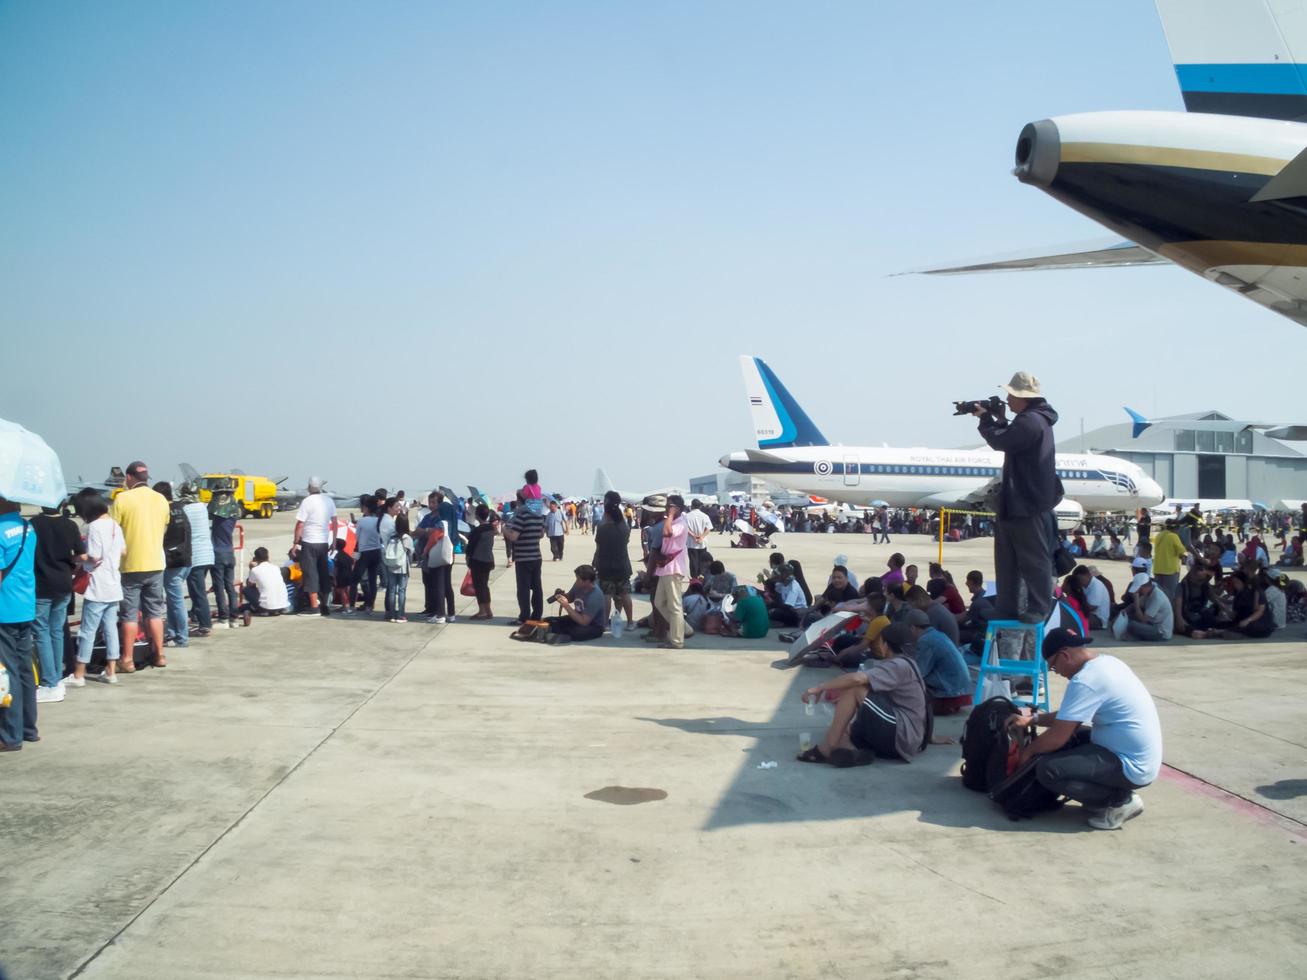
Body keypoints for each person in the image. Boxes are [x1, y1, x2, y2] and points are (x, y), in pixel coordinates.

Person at [1013, 627, 1162, 830]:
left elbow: (1058, 736)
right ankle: (1104, 795)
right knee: (1076, 735)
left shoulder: (1086, 681)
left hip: (1130, 766)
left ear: (1064, 655)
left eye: (1053, 668)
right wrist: (1033, 719)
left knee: (1048, 769)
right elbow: (1069, 715)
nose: (1058, 673)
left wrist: (1027, 752)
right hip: (1136, 755)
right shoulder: (1108, 663)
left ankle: (1119, 801)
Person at [973, 372, 1061, 625]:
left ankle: (1037, 608)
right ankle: (1007, 606)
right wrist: (998, 419)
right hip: (1017, 501)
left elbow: (1003, 441)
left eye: (1011, 395)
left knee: (1033, 561)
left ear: (1023, 398)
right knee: (1008, 559)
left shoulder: (1031, 421)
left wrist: (986, 420)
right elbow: (1010, 438)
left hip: (1026, 502)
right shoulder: (1031, 420)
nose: (1008, 399)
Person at [796, 622, 932, 766]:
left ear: (885, 644)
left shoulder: (899, 665)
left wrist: (819, 688)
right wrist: (842, 698)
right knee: (842, 729)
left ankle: (826, 750)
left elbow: (857, 679)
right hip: (899, 735)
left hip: (901, 736)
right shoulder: (905, 662)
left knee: (853, 689)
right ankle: (855, 752)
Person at [109, 463, 170, 670]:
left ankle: (127, 659)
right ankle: (160, 654)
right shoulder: (160, 499)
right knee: (154, 612)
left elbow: (113, 532)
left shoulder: (122, 499)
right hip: (156, 563)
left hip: (131, 564)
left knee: (129, 614)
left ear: (128, 477)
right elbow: (164, 528)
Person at [68, 492, 125, 686]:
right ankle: (110, 670)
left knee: (87, 631)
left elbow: (93, 555)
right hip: (113, 583)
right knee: (110, 629)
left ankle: (79, 673)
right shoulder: (115, 525)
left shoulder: (94, 527)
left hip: (97, 585)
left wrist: (76, 558)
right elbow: (123, 550)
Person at [30, 504, 84, 702]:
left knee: (41, 632)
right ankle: (57, 677)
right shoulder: (69, 524)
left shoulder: (34, 524)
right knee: (57, 631)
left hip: (42, 583)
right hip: (63, 582)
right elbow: (80, 554)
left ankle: (49, 681)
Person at [0, 496, 38, 750]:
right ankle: (28, 727)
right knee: (25, 669)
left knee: (7, 670)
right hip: (26, 604)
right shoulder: (28, 527)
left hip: (5, 608)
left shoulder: (0, 531)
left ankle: (10, 735)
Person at [904, 608, 972, 710]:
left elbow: (919, 672)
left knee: (910, 681)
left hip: (949, 694)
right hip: (963, 690)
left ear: (913, 628)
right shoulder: (938, 635)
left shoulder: (926, 641)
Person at [291, 476, 337, 617]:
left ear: (309, 487)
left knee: (310, 574)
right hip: (323, 543)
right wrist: (333, 542)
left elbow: (300, 524)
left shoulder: (307, 502)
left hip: (309, 542)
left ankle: (314, 607)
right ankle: (325, 605)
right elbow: (334, 522)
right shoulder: (329, 501)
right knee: (323, 573)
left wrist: (295, 542)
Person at [156, 482, 192, 650]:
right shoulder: (181, 509)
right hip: (185, 560)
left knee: (176, 601)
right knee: (173, 599)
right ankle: (172, 632)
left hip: (172, 562)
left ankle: (182, 637)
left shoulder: (163, 512)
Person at [592, 491, 633, 630]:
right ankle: (630, 622)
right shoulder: (625, 528)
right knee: (624, 593)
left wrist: (594, 562)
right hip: (622, 564)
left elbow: (598, 548)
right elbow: (626, 542)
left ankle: (605, 623)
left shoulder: (602, 528)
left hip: (605, 565)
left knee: (607, 594)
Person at [653, 494, 690, 649]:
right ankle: (683, 628)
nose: (667, 508)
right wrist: (670, 515)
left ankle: (677, 640)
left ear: (678, 509)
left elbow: (667, 532)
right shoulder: (673, 520)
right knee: (659, 602)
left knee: (674, 605)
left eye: (670, 506)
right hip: (665, 567)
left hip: (674, 567)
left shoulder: (680, 522)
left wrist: (671, 515)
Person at [503, 491, 545, 625]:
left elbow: (514, 537)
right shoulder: (538, 515)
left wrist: (504, 529)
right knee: (537, 587)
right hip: (536, 556)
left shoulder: (521, 515)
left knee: (523, 589)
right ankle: (537, 614)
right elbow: (541, 533)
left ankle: (524, 616)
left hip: (523, 557)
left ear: (520, 501)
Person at [538, 565, 607, 643]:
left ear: (587, 581)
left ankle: (558, 634)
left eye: (578, 579)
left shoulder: (595, 596)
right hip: (576, 618)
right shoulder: (578, 585)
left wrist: (566, 606)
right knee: (549, 620)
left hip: (593, 626)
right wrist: (561, 596)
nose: (576, 581)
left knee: (575, 632)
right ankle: (552, 632)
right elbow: (570, 598)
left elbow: (584, 622)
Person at [181, 486, 215, 636]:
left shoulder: (185, 510)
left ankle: (205, 624)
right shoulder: (203, 507)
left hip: (196, 556)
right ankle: (195, 614)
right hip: (208, 554)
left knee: (197, 592)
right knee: (199, 590)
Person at [351, 497, 385, 613]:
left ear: (366, 508)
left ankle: (351, 607)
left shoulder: (362, 521)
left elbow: (357, 537)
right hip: (376, 552)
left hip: (365, 552)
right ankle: (370, 606)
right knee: (372, 580)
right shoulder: (378, 520)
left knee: (354, 580)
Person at [463, 504, 498, 619]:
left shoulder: (477, 531)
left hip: (478, 560)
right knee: (484, 586)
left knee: (479, 587)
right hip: (488, 559)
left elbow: (470, 548)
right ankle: (488, 610)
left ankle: (482, 610)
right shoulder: (491, 528)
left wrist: (467, 558)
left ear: (477, 515)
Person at [1119, 573, 1173, 641]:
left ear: (1144, 587)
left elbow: (1143, 620)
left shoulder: (1157, 598)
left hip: (1160, 632)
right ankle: (1132, 635)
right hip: (1151, 624)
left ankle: (1132, 637)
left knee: (1132, 625)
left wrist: (1136, 599)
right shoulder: (1149, 592)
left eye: (1139, 590)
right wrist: (1125, 610)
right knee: (1129, 616)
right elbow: (1137, 605)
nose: (1139, 592)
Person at [420, 516, 454, 624]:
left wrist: (425, 551)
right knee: (448, 586)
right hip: (449, 559)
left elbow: (432, 540)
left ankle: (440, 614)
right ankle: (451, 613)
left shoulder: (439, 528)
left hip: (438, 560)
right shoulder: (451, 528)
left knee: (439, 587)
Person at [382, 513, 413, 623]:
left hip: (391, 565)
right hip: (403, 566)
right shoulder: (407, 538)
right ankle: (400, 614)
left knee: (391, 589)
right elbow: (411, 553)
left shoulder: (392, 536)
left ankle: (391, 614)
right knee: (401, 590)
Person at [242, 547, 289, 617]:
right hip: (283, 605)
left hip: (267, 607)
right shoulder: (276, 568)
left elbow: (250, 584)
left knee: (245, 589)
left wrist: (251, 568)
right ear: (268, 556)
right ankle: (274, 610)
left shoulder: (255, 570)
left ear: (255, 558)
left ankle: (262, 609)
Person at [1151, 520, 1187, 602]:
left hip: (1157, 569)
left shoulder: (1159, 535)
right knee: (1170, 594)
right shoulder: (1173, 536)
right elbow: (1182, 552)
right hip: (1170, 570)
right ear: (1176, 528)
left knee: (1159, 594)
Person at [766, 563, 808, 627]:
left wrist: (772, 603)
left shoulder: (793, 588)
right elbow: (773, 588)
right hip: (788, 609)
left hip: (796, 613)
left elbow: (788, 607)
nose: (775, 576)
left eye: (777, 574)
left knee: (773, 613)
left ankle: (788, 623)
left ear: (784, 575)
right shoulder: (782, 583)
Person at [684, 499, 714, 579]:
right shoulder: (704, 516)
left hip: (691, 543)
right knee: (703, 562)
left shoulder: (687, 516)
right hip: (702, 543)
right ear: (700, 506)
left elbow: (686, 529)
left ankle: (694, 579)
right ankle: (702, 577)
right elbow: (708, 528)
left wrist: (694, 536)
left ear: (692, 506)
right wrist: (702, 537)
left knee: (693, 562)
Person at [331, 539, 354, 611]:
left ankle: (344, 606)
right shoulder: (348, 556)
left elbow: (336, 568)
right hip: (349, 574)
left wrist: (334, 577)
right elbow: (352, 565)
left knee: (342, 591)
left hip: (341, 575)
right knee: (347, 590)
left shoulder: (338, 556)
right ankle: (351, 605)